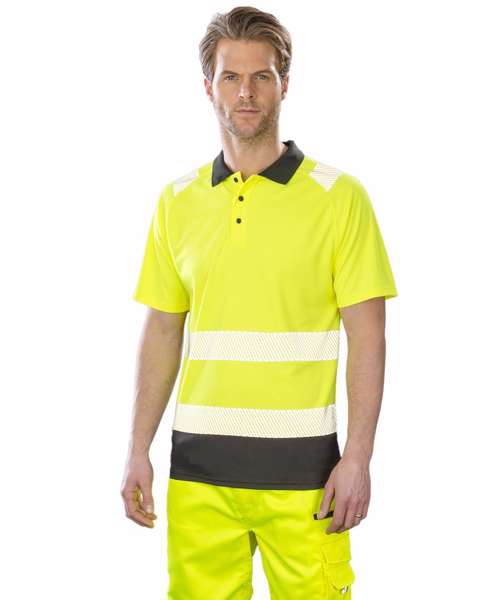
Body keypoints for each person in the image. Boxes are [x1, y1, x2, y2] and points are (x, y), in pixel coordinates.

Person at [121, 6, 398, 599]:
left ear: (284, 84)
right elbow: (162, 330)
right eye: (231, 76)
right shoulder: (176, 202)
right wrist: (137, 449)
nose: (245, 93)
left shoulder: (339, 198)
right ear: (208, 86)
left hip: (306, 479)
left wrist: (358, 457)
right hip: (198, 476)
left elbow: (369, 337)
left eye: (261, 76)